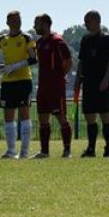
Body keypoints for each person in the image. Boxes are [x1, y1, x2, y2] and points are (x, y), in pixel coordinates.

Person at [0, 11, 37, 159]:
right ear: (7, 22)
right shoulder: (1, 39)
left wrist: (14, 67)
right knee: (8, 117)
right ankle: (11, 151)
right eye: (13, 20)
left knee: (24, 115)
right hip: (7, 82)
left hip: (23, 80)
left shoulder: (27, 37)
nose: (17, 22)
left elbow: (33, 59)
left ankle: (24, 152)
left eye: (19, 20)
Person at [74, 11, 109, 158]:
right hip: (88, 82)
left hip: (102, 82)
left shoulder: (107, 39)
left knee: (104, 115)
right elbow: (81, 61)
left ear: (97, 21)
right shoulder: (85, 40)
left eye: (88, 21)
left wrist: (106, 79)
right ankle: (91, 148)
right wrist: (78, 80)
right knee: (89, 116)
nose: (85, 23)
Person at [33, 13, 73, 158]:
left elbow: (68, 62)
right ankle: (44, 152)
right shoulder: (38, 43)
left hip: (56, 88)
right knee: (43, 118)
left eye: (36, 23)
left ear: (44, 24)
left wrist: (59, 77)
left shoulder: (57, 41)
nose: (34, 26)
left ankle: (67, 150)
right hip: (42, 87)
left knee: (61, 117)